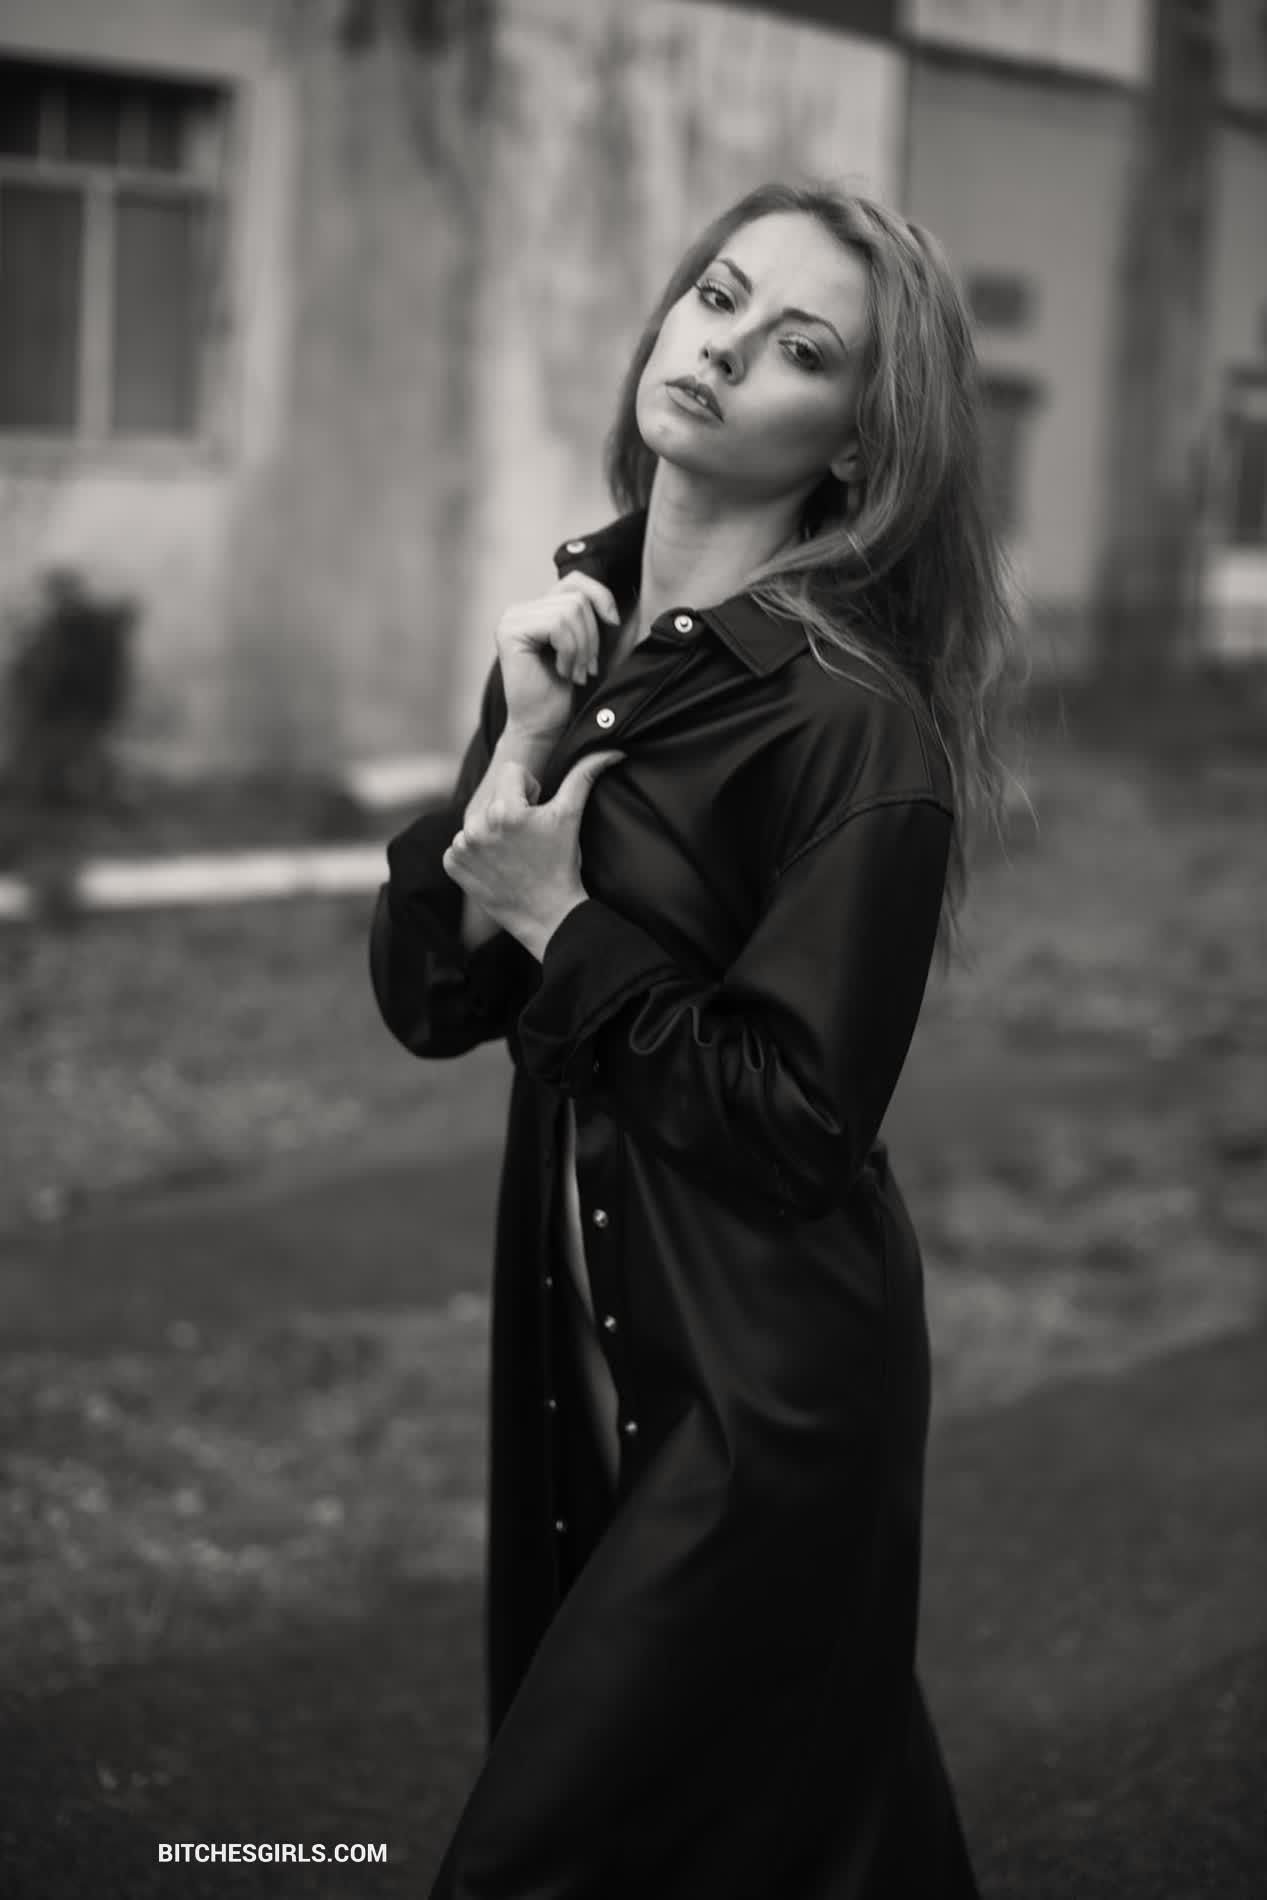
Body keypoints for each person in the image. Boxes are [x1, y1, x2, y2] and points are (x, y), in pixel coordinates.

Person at [369, 177, 1019, 1899]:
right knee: (798, 1835)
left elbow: (796, 1124)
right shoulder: (576, 639)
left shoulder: (851, 729)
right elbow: (435, 1003)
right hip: (586, 1357)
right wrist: (514, 754)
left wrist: (562, 920)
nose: (723, 350)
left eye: (798, 347)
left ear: (860, 447)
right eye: (718, 298)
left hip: (762, 1398)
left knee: (548, 1856)